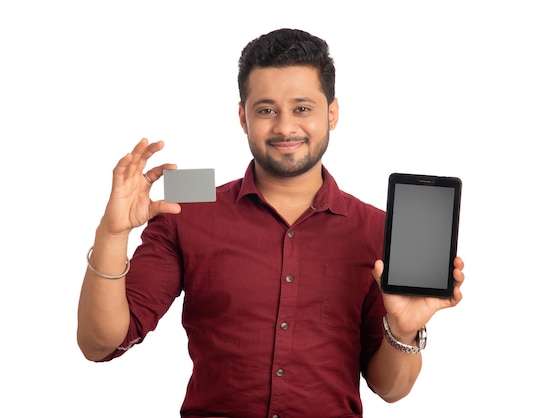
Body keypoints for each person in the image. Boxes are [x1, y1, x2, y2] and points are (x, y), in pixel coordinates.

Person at [77, 28, 465, 417]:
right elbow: (100, 344)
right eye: (266, 109)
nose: (284, 128)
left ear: (332, 113)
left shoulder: (377, 229)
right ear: (243, 117)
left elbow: (390, 389)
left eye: (302, 108)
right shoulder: (187, 207)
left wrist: (402, 331)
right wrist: (112, 233)